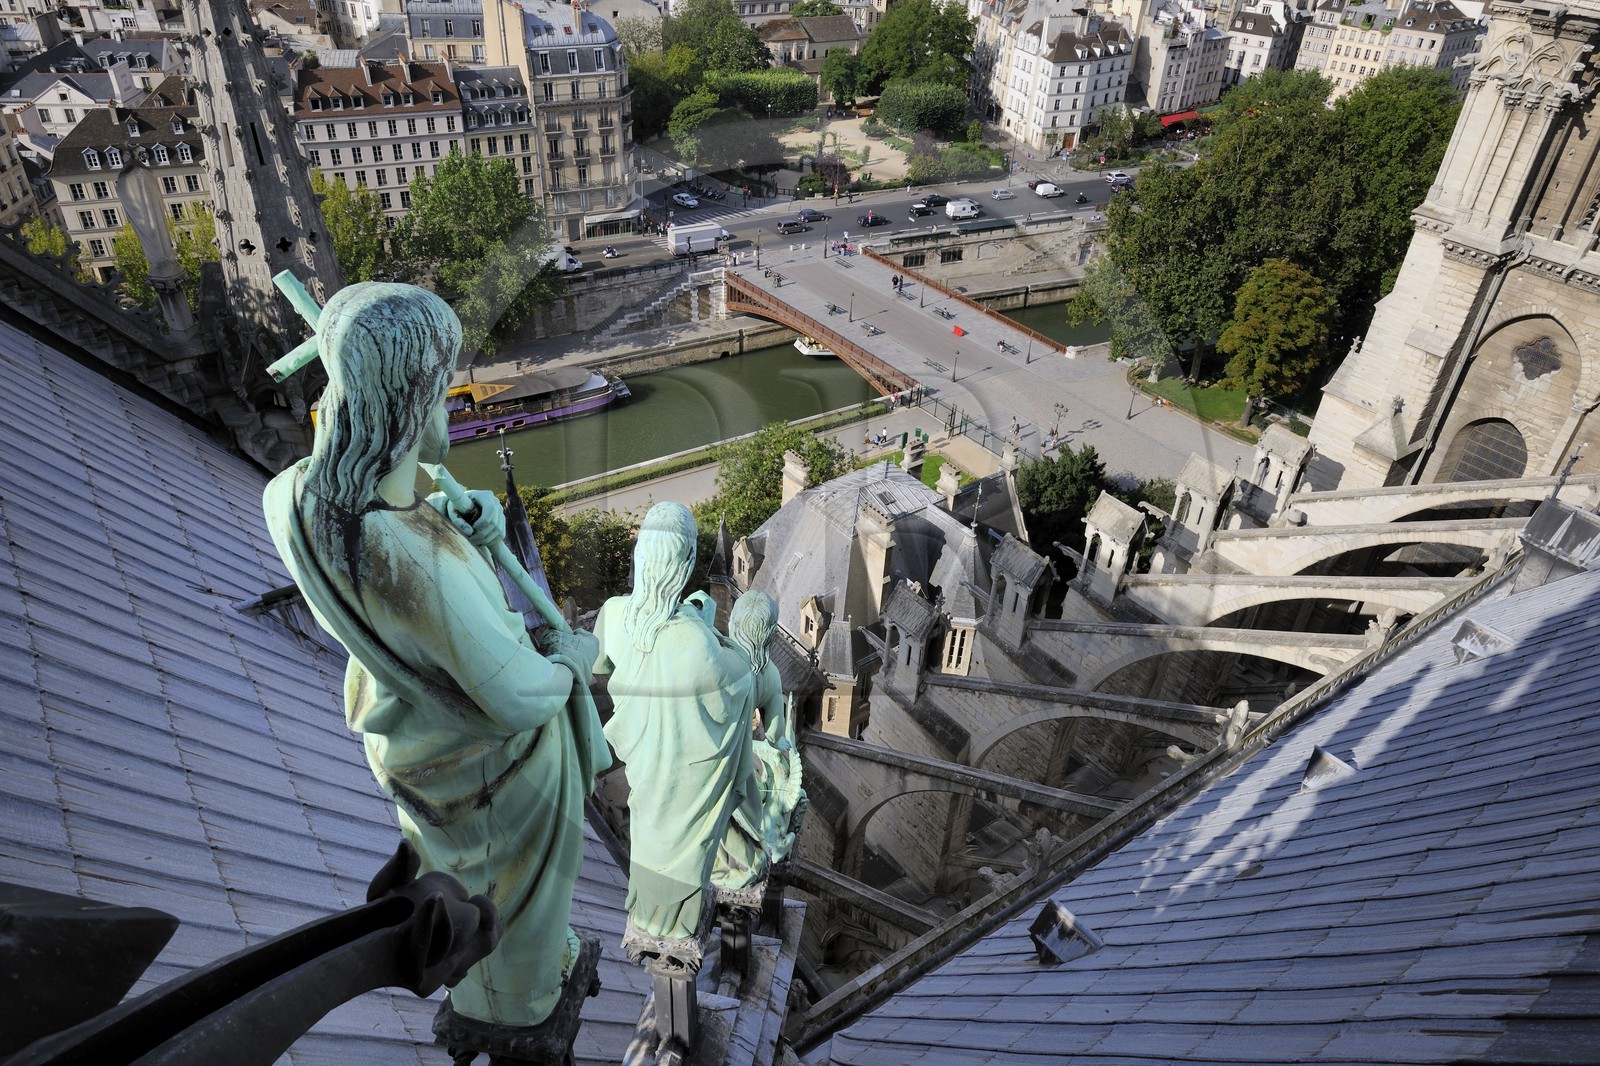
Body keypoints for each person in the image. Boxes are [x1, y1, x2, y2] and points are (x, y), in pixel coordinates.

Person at [263, 282, 606, 1032]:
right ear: (407, 400)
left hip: (409, 746)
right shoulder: (421, 567)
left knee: (469, 879)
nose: (450, 401)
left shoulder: (289, 496)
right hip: (495, 768)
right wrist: (573, 657)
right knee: (516, 899)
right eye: (442, 386)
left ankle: (512, 969)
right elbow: (517, 695)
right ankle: (522, 1000)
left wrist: (452, 515)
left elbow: (382, 531)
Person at [594, 503, 755, 943]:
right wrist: (705, 624)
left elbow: (602, 662)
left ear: (640, 558)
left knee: (647, 837)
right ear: (685, 565)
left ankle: (649, 914)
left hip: (645, 772)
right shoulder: (696, 642)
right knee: (683, 868)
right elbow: (742, 682)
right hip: (685, 784)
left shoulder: (611, 613)